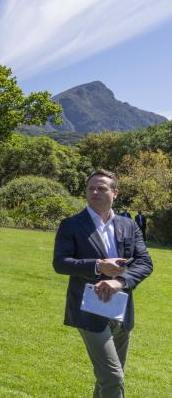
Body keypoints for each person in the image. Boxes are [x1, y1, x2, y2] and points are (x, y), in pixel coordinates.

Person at [53, 169, 153, 398]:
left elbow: (145, 263)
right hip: (88, 308)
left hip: (121, 308)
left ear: (115, 193)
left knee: (108, 379)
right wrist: (98, 265)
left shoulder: (128, 225)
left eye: (101, 188)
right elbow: (60, 263)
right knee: (113, 377)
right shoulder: (71, 224)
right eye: (91, 188)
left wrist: (120, 282)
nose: (94, 192)